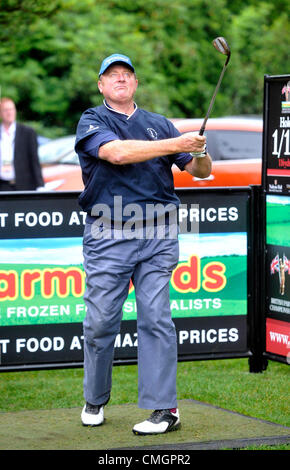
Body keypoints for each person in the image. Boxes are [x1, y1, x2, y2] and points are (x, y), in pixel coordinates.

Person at [75, 53, 212, 435]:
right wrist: (176, 141)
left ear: (135, 84)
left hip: (159, 232)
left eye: (127, 74)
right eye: (111, 75)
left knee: (156, 317)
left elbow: (201, 171)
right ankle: (95, 397)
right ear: (101, 85)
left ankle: (164, 410)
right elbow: (116, 152)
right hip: (108, 232)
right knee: (101, 321)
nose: (120, 79)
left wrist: (199, 151)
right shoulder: (92, 120)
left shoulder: (158, 124)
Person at [0, 97, 44, 191]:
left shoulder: (27, 132)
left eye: (11, 109)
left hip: (23, 186)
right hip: (2, 186)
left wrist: (40, 185)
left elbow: (34, 160)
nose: (9, 112)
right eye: (5, 110)